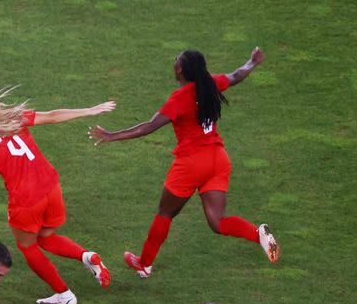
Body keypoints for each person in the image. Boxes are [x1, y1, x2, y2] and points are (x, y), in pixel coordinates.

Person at [89, 48, 280, 278]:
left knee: (165, 212)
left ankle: (144, 264)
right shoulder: (211, 83)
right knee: (218, 222)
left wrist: (112, 135)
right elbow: (236, 75)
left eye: (176, 62)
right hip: (218, 159)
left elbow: (150, 126)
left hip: (191, 164)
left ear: (180, 70)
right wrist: (252, 62)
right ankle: (257, 233)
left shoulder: (179, 98)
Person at [0, 89, 115, 304]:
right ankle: (87, 256)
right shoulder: (10, 117)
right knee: (45, 237)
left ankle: (64, 294)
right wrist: (90, 110)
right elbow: (53, 116)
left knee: (28, 246)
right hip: (51, 186)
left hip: (26, 200)